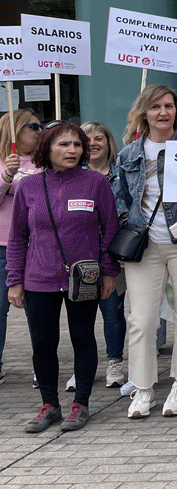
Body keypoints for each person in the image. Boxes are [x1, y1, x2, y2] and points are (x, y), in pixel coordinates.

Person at [8, 121, 118, 432]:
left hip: (84, 277)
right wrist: (14, 280)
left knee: (83, 338)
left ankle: (80, 404)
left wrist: (109, 272)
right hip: (38, 277)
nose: (73, 150)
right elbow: (17, 237)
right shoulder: (28, 186)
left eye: (77, 145)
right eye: (64, 145)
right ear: (47, 149)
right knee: (43, 343)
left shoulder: (96, 183)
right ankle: (49, 405)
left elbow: (110, 230)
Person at [114, 85, 177, 419]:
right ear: (144, 112)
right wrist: (131, 224)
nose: (163, 112)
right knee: (141, 319)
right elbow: (119, 197)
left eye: (169, 106)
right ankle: (143, 389)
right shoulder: (128, 154)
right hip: (145, 246)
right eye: (155, 107)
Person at [82, 120, 126, 389]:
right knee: (82, 313)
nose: (93, 143)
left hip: (114, 253)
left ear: (108, 143)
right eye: (87, 139)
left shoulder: (122, 173)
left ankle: (115, 362)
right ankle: (83, 365)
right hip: (82, 253)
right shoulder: (73, 176)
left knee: (113, 311)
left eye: (99, 138)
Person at [0, 109, 41, 387]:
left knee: (39, 312)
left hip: (39, 248)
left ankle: (43, 364)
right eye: (33, 126)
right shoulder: (4, 161)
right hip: (3, 247)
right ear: (14, 130)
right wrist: (7, 176)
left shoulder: (47, 160)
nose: (40, 131)